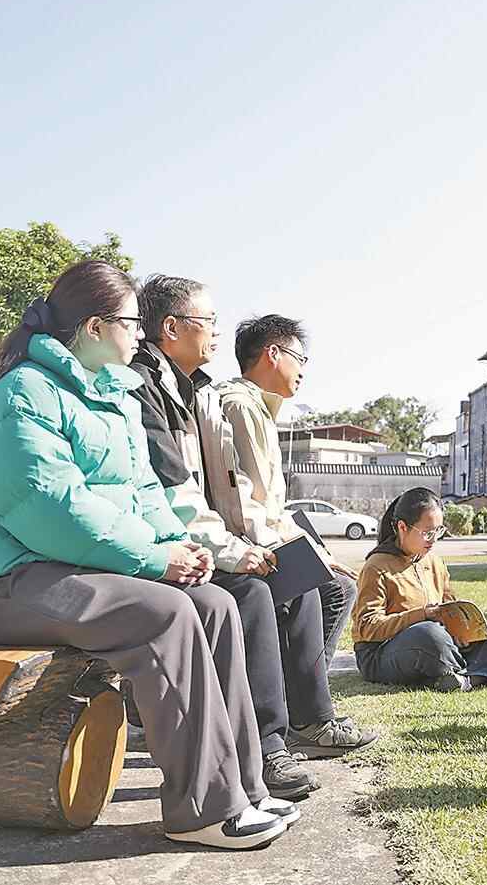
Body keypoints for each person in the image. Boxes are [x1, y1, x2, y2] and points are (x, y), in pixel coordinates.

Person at [0, 260, 293, 849]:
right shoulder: (22, 394)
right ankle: (203, 809)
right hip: (1, 585)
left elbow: (146, 495)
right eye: (131, 323)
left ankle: (245, 786)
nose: (141, 335)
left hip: (69, 572)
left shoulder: (111, 396)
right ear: (94, 327)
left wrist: (178, 547)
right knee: (165, 614)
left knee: (215, 603)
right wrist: (155, 562)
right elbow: (52, 510)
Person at [130, 275, 375, 773]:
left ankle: (297, 722)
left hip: (204, 542)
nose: (215, 333)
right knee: (264, 591)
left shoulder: (191, 390)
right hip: (176, 548)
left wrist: (283, 547)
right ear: (171, 328)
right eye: (208, 321)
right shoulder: (160, 390)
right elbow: (209, 497)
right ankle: (270, 742)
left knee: (308, 588)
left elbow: (226, 493)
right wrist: (244, 550)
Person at [215, 314, 371, 758]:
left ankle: (302, 707)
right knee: (319, 587)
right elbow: (246, 502)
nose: (302, 371)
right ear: (273, 354)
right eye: (300, 359)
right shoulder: (241, 406)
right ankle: (308, 718)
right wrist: (299, 554)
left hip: (260, 539)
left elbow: (273, 506)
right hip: (244, 547)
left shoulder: (259, 409)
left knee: (337, 585)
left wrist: (314, 549)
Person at [353, 488, 487, 689]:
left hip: (439, 643)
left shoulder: (434, 562)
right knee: (428, 634)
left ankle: (460, 678)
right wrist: (422, 615)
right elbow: (367, 627)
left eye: (438, 531)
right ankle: (467, 673)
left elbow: (450, 606)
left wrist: (461, 631)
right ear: (402, 527)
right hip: (384, 652)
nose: (433, 539)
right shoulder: (376, 566)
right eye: (427, 533)